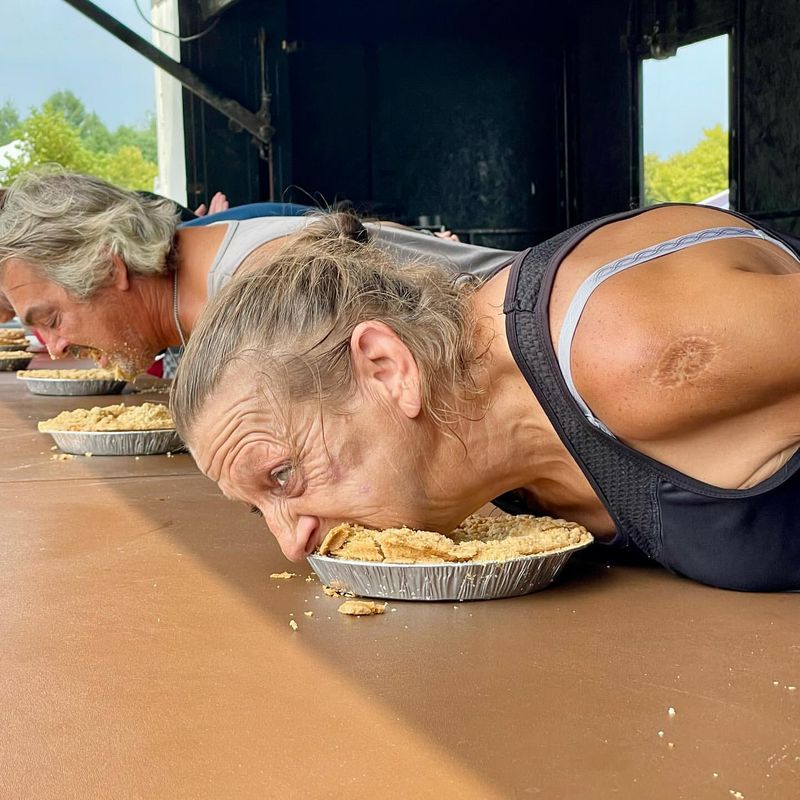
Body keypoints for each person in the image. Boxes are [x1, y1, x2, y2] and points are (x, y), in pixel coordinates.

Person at [169, 206, 800, 592]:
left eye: (281, 474)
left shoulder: (626, 347)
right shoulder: (474, 479)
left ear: (387, 369)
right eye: (261, 510)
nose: (291, 544)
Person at [0, 170, 514, 376]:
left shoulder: (262, 288)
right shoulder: (196, 286)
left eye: (50, 318)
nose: (53, 348)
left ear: (110, 267)